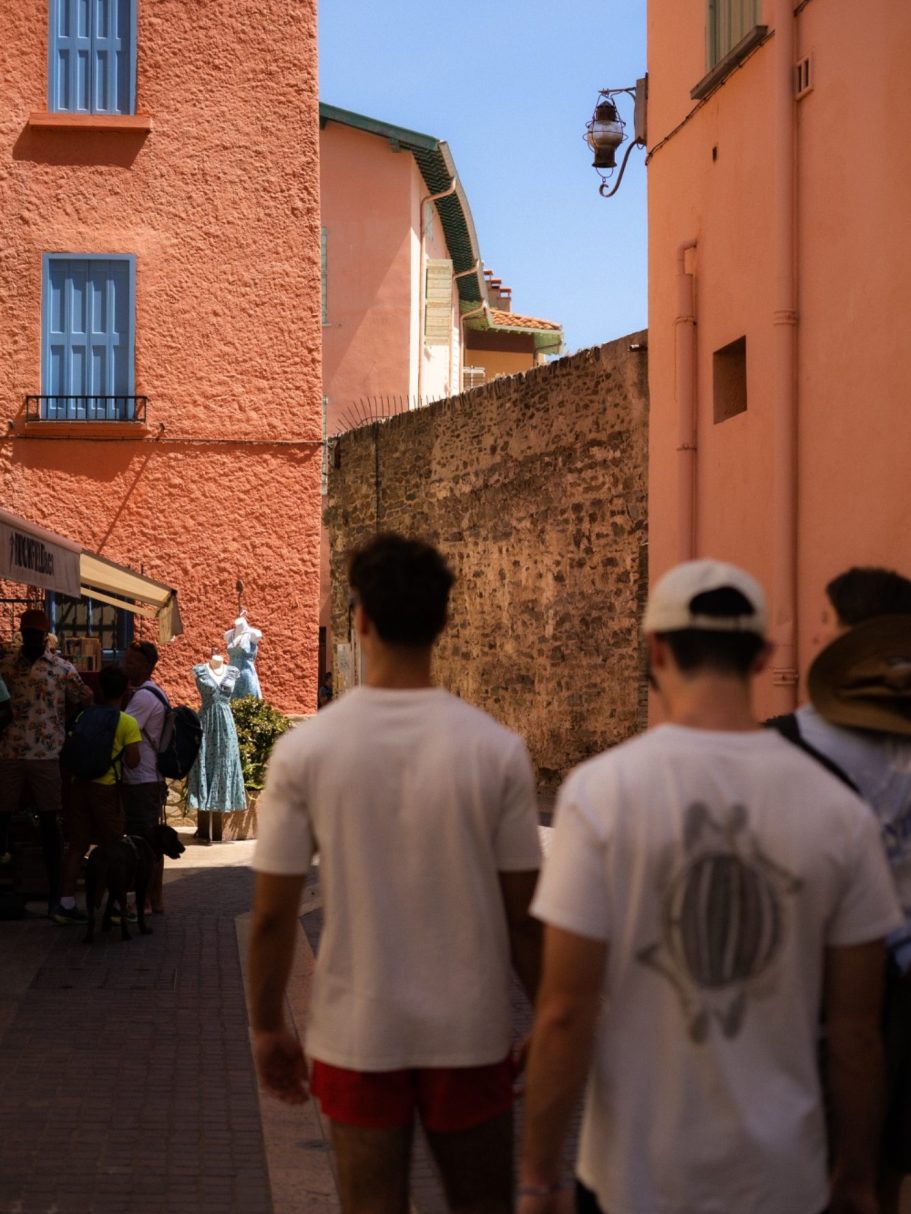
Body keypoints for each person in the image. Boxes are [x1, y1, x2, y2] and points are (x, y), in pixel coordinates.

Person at [519, 558, 903, 1214]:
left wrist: (537, 1175)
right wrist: (858, 1174)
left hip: (632, 1174)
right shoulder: (836, 809)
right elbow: (856, 1032)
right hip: (783, 1176)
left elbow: (563, 1011)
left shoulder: (599, 792)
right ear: (762, 658)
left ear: (654, 648)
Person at [248, 532, 542, 1214]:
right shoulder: (495, 751)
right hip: (468, 1032)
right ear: (443, 620)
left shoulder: (308, 750)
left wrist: (268, 1026)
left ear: (359, 618)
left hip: (358, 1032)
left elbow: (270, 912)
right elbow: (523, 913)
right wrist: (547, 1016)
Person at [790, 567, 911, 1212]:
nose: (813, 633)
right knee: (884, 1179)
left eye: (826, 622)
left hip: (823, 983)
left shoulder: (787, 746)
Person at [0, 608, 92, 913]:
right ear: (22, 635)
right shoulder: (6, 668)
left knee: (51, 821)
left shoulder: (62, 669)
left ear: (46, 636)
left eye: (37, 635)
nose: (32, 640)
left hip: (47, 754)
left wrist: (64, 726)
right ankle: (8, 890)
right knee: (3, 820)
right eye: (28, 635)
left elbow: (84, 698)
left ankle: (55, 894)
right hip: (10, 752)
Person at [55, 664, 141, 924]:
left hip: (78, 786)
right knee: (114, 847)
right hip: (106, 788)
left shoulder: (84, 716)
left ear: (100, 689)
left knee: (77, 846)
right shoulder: (127, 722)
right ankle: (116, 907)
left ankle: (66, 904)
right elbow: (133, 761)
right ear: (125, 691)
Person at [122, 639, 168, 914]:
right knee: (152, 841)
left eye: (131, 661)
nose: (125, 664)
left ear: (146, 666)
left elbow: (123, 731)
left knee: (142, 843)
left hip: (142, 779)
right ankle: (156, 898)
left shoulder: (143, 698)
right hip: (150, 778)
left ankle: (145, 901)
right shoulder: (154, 692)